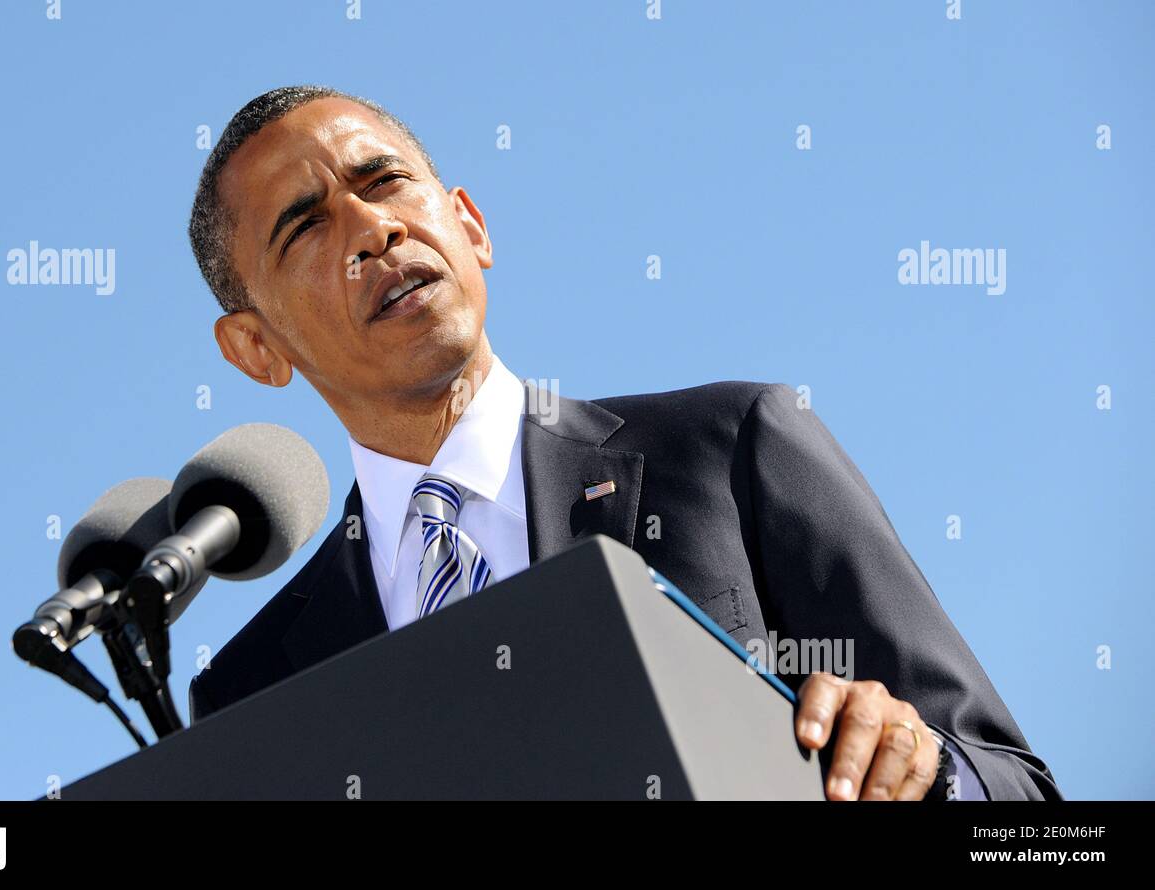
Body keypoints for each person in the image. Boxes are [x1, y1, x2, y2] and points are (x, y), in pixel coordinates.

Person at [184, 85, 1060, 801]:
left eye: (385, 182)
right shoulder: (252, 688)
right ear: (256, 349)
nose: (374, 230)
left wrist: (933, 772)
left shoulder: (731, 448)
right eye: (305, 226)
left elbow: (1034, 813)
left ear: (471, 227)